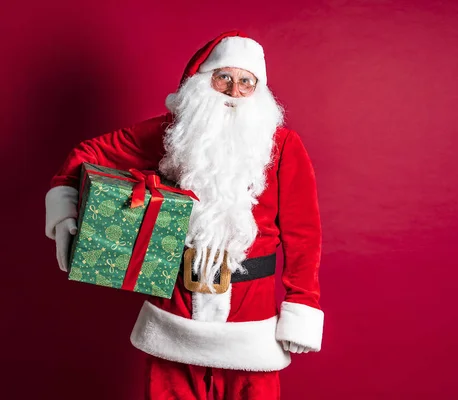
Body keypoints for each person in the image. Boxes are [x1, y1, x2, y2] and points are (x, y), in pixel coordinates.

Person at [44, 30, 323, 400]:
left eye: (246, 81)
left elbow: (304, 234)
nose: (233, 91)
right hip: (175, 307)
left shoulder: (284, 145)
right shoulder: (173, 133)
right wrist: (65, 214)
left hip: (249, 314)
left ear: (259, 90)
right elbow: (87, 154)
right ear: (204, 82)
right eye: (223, 77)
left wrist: (301, 304)